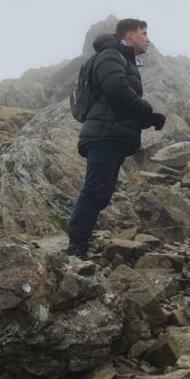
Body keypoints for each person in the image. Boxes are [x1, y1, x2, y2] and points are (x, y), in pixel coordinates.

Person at [66, 18, 166, 259]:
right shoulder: (111, 55)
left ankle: (80, 242)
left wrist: (147, 120)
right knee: (95, 190)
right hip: (104, 135)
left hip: (111, 134)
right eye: (144, 33)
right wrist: (148, 112)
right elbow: (117, 89)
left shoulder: (123, 60)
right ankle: (76, 246)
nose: (148, 39)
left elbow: (118, 103)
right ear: (130, 35)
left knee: (102, 192)